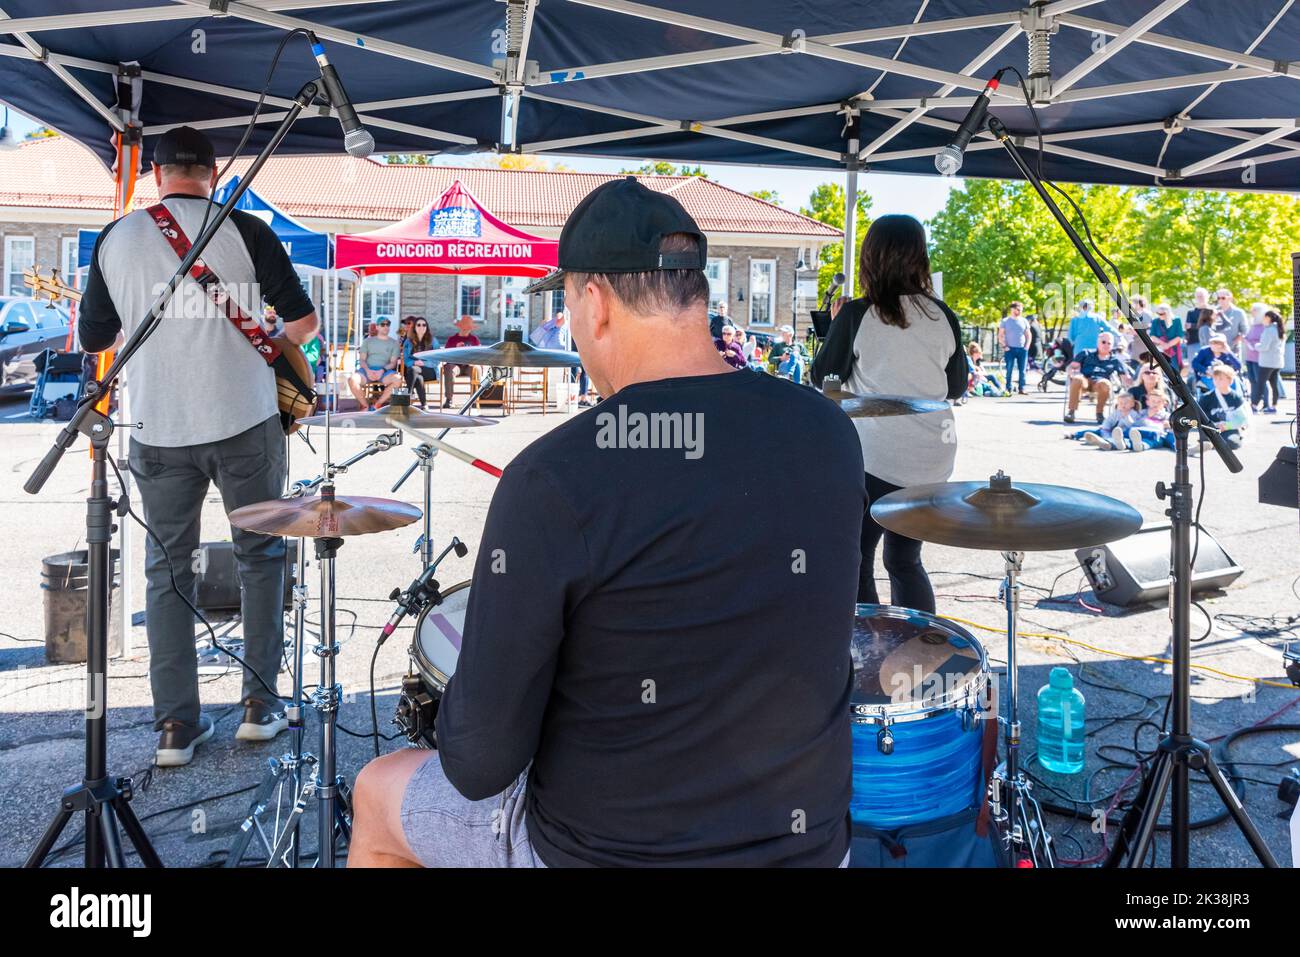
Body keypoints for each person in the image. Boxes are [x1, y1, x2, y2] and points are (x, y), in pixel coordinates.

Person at [349, 176, 864, 868]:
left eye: (565, 308)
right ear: (696, 294)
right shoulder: (828, 434)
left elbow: (478, 764)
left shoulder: (554, 479)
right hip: (811, 847)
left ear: (594, 304)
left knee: (377, 791)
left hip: (604, 853)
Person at [77, 126, 319, 766]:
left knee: (167, 573)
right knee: (262, 559)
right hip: (244, 421)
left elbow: (93, 334)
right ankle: (259, 707)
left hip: (157, 426)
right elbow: (303, 325)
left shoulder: (116, 237)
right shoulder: (246, 231)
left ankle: (176, 729)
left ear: (156, 175)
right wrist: (259, 324)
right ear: (212, 174)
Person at [811, 214, 966, 612]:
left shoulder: (860, 314)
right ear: (920, 258)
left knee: (858, 560)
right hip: (932, 460)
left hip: (879, 459)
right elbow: (956, 387)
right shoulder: (942, 315)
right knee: (904, 559)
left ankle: (873, 650)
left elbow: (822, 377)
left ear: (870, 258)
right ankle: (919, 647)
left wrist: (833, 334)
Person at [1065, 331, 1130, 424]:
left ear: (1112, 345)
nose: (1106, 345)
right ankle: (1071, 412)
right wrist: (1072, 372)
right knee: (1077, 379)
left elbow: (1125, 377)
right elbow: (1072, 367)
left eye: (1109, 343)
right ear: (1098, 342)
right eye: (1103, 342)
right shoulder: (1086, 353)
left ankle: (1099, 413)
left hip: (1100, 382)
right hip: (1085, 380)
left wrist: (1131, 385)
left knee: (1105, 383)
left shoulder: (1115, 360)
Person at [348, 317, 400, 409]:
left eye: (387, 324)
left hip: (385, 372)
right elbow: (362, 360)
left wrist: (382, 371)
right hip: (367, 371)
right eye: (382, 325)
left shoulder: (394, 343)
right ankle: (365, 406)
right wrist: (368, 370)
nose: (385, 327)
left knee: (398, 379)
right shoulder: (367, 341)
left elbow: (393, 363)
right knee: (352, 380)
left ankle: (378, 404)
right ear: (377, 327)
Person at [1197, 363, 1248, 449]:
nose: (1217, 381)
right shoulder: (1206, 398)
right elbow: (1199, 417)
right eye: (1215, 379)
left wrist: (1226, 426)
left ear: (1230, 380)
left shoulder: (1236, 398)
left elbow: (1242, 420)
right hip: (1211, 429)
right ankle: (1207, 443)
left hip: (1229, 429)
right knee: (1208, 436)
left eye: (1220, 379)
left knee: (1233, 443)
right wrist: (1213, 425)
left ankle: (1212, 444)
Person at [1072, 392, 1143, 450]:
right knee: (1096, 430)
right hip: (1110, 430)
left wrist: (1127, 418)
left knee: (1123, 437)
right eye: (1121, 403)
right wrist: (1105, 427)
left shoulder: (1134, 413)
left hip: (1123, 432)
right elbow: (1108, 421)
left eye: (1126, 403)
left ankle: (1105, 442)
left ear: (1132, 404)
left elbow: (1132, 426)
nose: (1123, 405)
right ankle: (1075, 435)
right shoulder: (1116, 412)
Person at [441, 314, 481, 408]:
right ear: (460, 327)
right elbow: (446, 355)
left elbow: (479, 355)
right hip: (456, 365)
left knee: (477, 368)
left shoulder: (474, 340)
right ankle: (449, 399)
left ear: (471, 329)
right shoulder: (452, 339)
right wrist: (456, 348)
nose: (466, 330)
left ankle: (474, 399)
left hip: (469, 365)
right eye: (464, 328)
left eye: (468, 328)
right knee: (449, 368)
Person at [1255, 309, 1286, 415]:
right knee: (1274, 384)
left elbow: (1264, 347)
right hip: (1277, 362)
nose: (1263, 319)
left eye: (1264, 317)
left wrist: (1256, 345)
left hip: (1267, 362)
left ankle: (1254, 405)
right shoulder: (1279, 329)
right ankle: (1273, 406)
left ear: (1269, 318)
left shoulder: (1269, 330)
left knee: (1260, 383)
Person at [401, 317, 437, 408]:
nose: (421, 327)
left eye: (424, 325)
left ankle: (407, 395)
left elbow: (437, 360)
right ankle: (424, 404)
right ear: (415, 327)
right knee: (418, 377)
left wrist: (424, 363)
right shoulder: (408, 342)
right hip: (415, 370)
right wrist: (414, 363)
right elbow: (405, 359)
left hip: (430, 370)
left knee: (413, 371)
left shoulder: (433, 341)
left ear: (427, 327)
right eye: (418, 325)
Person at [998, 301, 1029, 394]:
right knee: (1009, 369)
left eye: (1021, 310)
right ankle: (1008, 388)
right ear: (1012, 309)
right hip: (1010, 349)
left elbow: (1028, 335)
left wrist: (1027, 346)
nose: (1019, 312)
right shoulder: (1005, 321)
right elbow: (1000, 335)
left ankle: (1022, 388)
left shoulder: (1024, 321)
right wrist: (1004, 346)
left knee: (1022, 370)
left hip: (1022, 349)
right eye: (1018, 309)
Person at [1243, 303, 1269, 409]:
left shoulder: (1264, 326)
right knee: (1252, 381)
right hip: (1250, 358)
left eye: (1254, 310)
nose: (1251, 312)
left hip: (1259, 359)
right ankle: (1254, 403)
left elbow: (1262, 342)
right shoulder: (1252, 324)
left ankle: (1266, 403)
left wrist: (1250, 342)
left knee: (1261, 381)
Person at [1149, 302, 1185, 370]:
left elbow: (1179, 335)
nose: (1159, 315)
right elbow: (1152, 335)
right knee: (1160, 369)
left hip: (1173, 350)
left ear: (1167, 313)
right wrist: (1163, 344)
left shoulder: (1176, 320)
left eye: (1161, 314)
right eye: (1158, 313)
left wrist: (1168, 345)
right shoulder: (1155, 321)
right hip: (1160, 349)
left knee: (1174, 369)